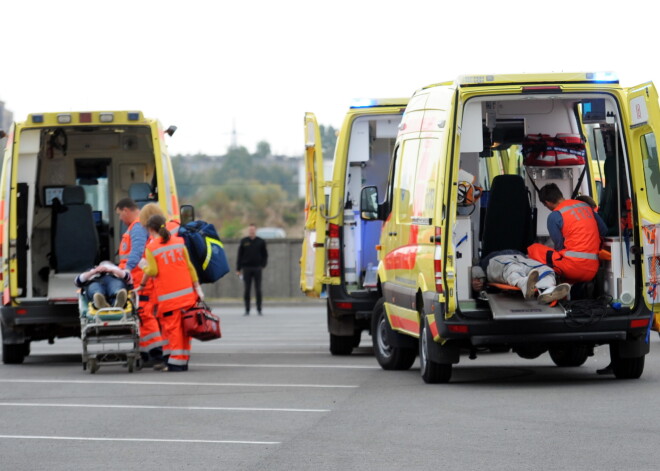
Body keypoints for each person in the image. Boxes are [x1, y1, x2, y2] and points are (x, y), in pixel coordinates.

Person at [141, 214, 203, 372]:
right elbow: (189, 267)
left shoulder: (152, 247)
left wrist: (143, 267)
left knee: (173, 329)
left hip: (169, 298)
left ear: (150, 230)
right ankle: (182, 360)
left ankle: (176, 364)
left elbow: (153, 271)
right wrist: (197, 288)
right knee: (185, 329)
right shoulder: (179, 242)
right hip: (187, 295)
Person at [116, 198, 167, 368]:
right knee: (142, 318)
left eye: (119, 214)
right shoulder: (137, 227)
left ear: (125, 210)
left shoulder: (137, 227)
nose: (120, 219)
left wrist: (127, 271)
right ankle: (144, 356)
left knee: (146, 316)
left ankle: (156, 354)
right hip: (137, 280)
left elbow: (137, 251)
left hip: (138, 280)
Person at [527, 184, 607, 284]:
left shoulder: (554, 216)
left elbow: (559, 246)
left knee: (533, 249)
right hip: (593, 268)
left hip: (573, 268)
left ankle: (547, 284)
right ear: (560, 195)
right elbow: (603, 230)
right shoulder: (585, 206)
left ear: (547, 203)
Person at [471, 250, 571, 304]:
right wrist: (478, 281)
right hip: (497, 259)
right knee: (511, 268)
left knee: (546, 270)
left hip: (522, 257)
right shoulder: (485, 261)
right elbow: (476, 268)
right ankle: (524, 283)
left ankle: (547, 290)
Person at [236, 223, 268, 316]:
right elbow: (240, 256)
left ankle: (259, 309)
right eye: (250, 230)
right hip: (246, 268)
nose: (251, 231)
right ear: (248, 231)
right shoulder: (244, 241)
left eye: (253, 230)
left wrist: (263, 265)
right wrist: (238, 268)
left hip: (257, 268)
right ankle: (247, 309)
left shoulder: (261, 241)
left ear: (255, 230)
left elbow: (265, 255)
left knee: (258, 289)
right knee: (247, 289)